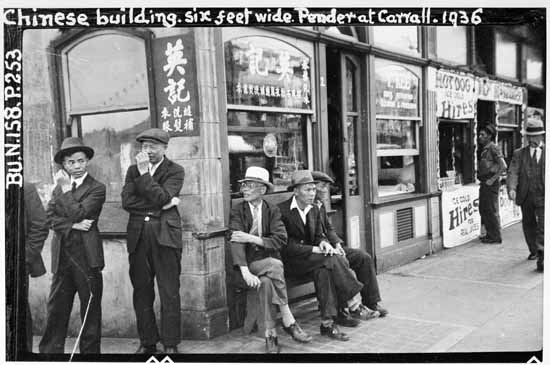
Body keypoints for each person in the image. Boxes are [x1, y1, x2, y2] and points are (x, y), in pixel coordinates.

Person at [278, 170, 376, 342]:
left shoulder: (314, 208)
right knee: (330, 260)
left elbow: (319, 234)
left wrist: (323, 242)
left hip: (315, 260)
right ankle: (354, 303)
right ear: (295, 191)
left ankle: (327, 324)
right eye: (307, 190)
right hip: (294, 262)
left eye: (313, 190)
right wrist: (316, 249)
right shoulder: (282, 211)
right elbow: (286, 246)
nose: (312, 193)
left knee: (325, 269)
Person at [229, 166, 312, 353]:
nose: (245, 189)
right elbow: (235, 240)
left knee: (266, 282)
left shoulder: (272, 210)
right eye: (244, 185)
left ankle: (270, 334)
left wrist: (252, 238)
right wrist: (244, 270)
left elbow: (280, 240)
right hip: (248, 264)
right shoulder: (238, 210)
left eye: (250, 185)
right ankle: (287, 317)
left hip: (267, 263)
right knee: (275, 265)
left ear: (263, 190)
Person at [39, 137, 106, 354]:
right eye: (70, 162)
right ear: (64, 165)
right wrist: (74, 226)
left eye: (80, 161)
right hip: (63, 257)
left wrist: (67, 191)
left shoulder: (97, 188)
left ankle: (90, 356)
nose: (76, 166)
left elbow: (81, 213)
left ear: (87, 161)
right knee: (56, 309)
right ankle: (50, 354)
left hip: (87, 258)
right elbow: (49, 218)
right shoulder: (59, 188)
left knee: (90, 311)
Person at [121, 128, 185, 354]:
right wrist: (163, 205)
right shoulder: (132, 171)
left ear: (165, 148)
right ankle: (147, 342)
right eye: (144, 146)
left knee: (169, 291)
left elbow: (162, 196)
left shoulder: (175, 170)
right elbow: (127, 202)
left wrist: (145, 176)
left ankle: (170, 343)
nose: (147, 151)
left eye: (153, 147)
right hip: (138, 237)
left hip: (166, 237)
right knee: (141, 291)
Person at [311, 171, 388, 325]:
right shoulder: (307, 206)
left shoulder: (320, 205)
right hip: (316, 252)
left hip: (330, 248)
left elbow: (329, 228)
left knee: (363, 258)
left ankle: (371, 302)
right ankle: (349, 308)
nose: (326, 190)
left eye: (326, 187)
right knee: (335, 263)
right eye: (322, 186)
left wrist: (338, 244)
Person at [507, 118, 545, 272]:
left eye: (535, 137)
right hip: (526, 196)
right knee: (529, 225)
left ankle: (542, 253)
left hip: (543, 195)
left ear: (541, 136)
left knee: (543, 225)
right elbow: (513, 171)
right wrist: (511, 188)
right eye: (529, 137)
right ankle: (534, 250)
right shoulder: (519, 153)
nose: (532, 140)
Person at [24, 182, 49, 352]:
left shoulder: (24, 188)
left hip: (12, 264)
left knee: (15, 314)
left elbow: (40, 224)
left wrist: (23, 258)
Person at [477, 124, 507, 244]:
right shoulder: (485, 149)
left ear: (489, 136)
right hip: (485, 182)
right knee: (484, 209)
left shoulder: (493, 148)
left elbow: (503, 166)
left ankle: (495, 237)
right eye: (479, 134)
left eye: (482, 135)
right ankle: (490, 234)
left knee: (490, 209)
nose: (479, 137)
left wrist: (493, 179)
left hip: (491, 183)